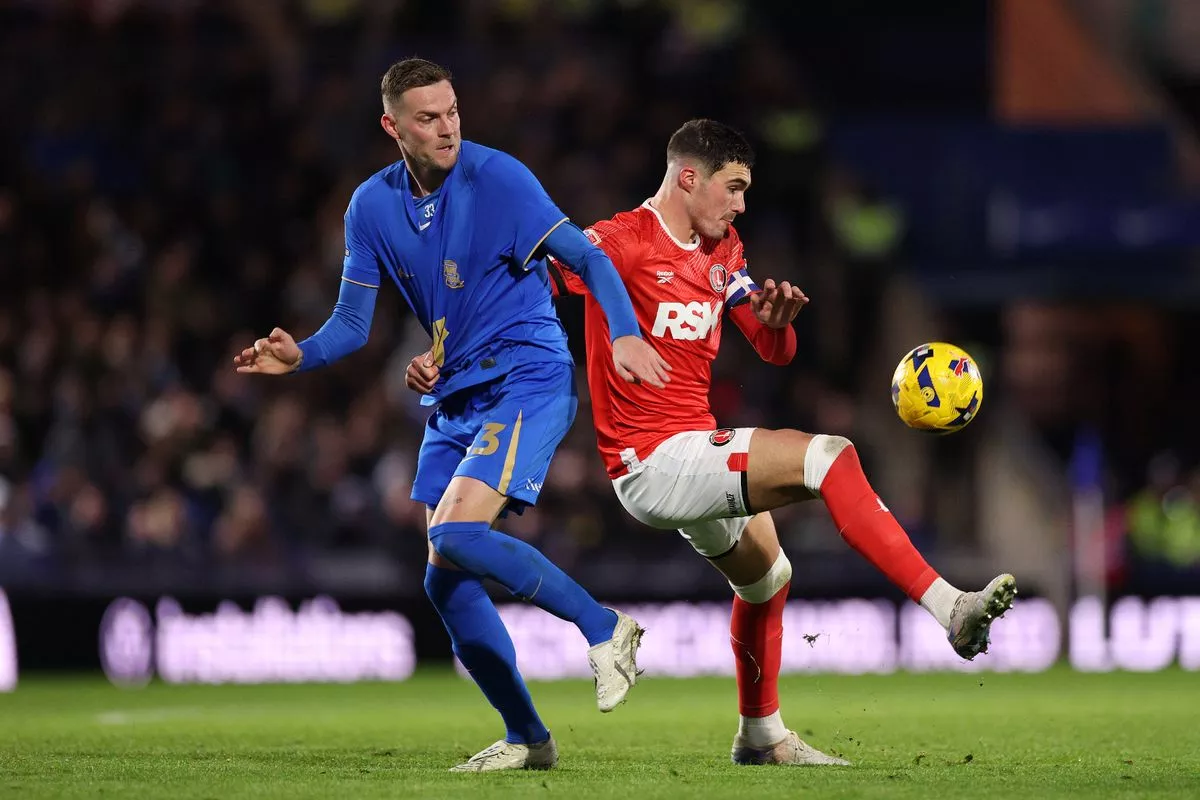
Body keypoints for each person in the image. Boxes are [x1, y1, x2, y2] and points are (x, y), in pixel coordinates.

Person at [406, 119, 1017, 767]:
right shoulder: (620, 242)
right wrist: (447, 352)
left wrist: (776, 323)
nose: (741, 204)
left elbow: (773, 349)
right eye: (734, 187)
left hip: (693, 451)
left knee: (768, 579)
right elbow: (525, 290)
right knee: (829, 456)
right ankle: (951, 607)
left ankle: (762, 736)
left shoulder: (722, 249)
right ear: (689, 178)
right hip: (650, 459)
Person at [235, 58, 673, 773]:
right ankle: (529, 739)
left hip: (528, 376)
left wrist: (624, 333)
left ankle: (605, 628)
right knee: (442, 578)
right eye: (428, 118)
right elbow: (353, 324)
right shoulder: (370, 207)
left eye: (453, 112)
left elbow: (590, 261)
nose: (447, 128)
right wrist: (302, 354)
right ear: (392, 126)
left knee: (456, 532)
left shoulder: (499, 178)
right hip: (456, 394)